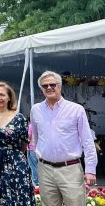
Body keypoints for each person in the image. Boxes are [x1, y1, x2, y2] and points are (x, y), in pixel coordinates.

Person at [31, 71, 97, 205]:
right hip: (45, 170)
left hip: (70, 169)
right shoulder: (35, 110)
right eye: (45, 86)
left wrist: (90, 170)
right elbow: (36, 138)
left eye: (52, 84)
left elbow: (87, 141)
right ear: (41, 89)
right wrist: (40, 159)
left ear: (60, 86)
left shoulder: (76, 109)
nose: (49, 88)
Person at [0, 82, 34, 205]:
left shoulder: (19, 118)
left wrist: (12, 154)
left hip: (16, 162)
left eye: (2, 95)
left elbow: (24, 143)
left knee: (18, 195)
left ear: (9, 97)